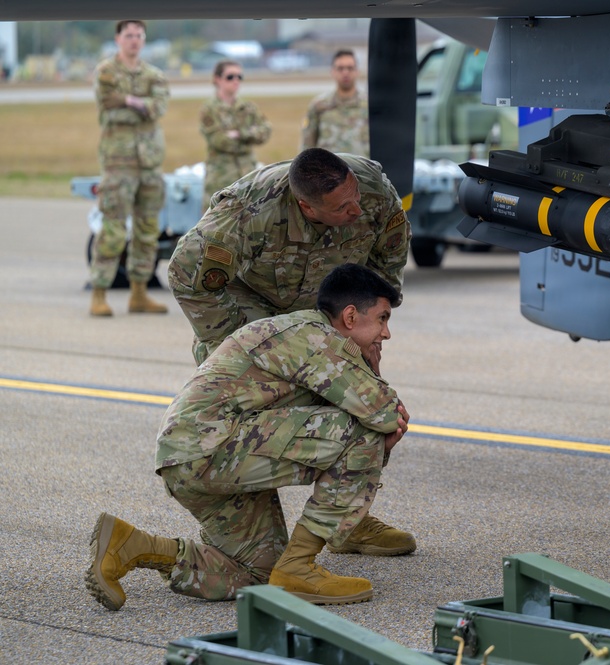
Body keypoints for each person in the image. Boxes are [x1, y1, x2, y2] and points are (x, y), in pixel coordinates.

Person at [86, 263, 414, 611]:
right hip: (211, 448)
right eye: (382, 318)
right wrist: (374, 373)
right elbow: (384, 413)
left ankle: (132, 545)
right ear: (350, 316)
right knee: (361, 432)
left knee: (260, 573)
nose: (386, 333)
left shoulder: (304, 333)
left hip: (192, 457)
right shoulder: (316, 337)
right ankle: (299, 567)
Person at [168, 147, 410, 365]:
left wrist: (369, 323)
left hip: (324, 304)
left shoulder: (375, 191)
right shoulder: (250, 212)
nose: (357, 210)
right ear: (307, 207)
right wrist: (234, 342)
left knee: (343, 381)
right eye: (341, 207)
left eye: (355, 195)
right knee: (254, 379)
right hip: (254, 299)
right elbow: (186, 272)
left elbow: (389, 258)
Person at [89, 19, 170, 317]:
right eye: (128, 35)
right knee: (112, 228)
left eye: (138, 35)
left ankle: (139, 293)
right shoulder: (106, 72)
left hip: (149, 163)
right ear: (118, 39)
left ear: (144, 39)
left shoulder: (154, 74)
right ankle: (99, 291)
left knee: (148, 230)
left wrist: (129, 102)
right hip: (118, 163)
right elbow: (108, 102)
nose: (134, 40)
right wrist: (141, 104)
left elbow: (159, 108)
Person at [199, 60, 272, 211]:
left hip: (248, 177)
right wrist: (250, 136)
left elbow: (265, 131)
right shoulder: (209, 109)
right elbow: (219, 141)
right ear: (217, 79)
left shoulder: (248, 108)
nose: (236, 80)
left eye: (239, 77)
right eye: (230, 77)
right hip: (221, 178)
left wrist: (240, 134)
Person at [300, 49, 369, 156]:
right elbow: (307, 145)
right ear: (332, 71)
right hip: (328, 171)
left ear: (357, 71)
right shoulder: (319, 105)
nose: (345, 72)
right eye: (340, 68)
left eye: (350, 68)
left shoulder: (368, 105)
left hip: (362, 170)